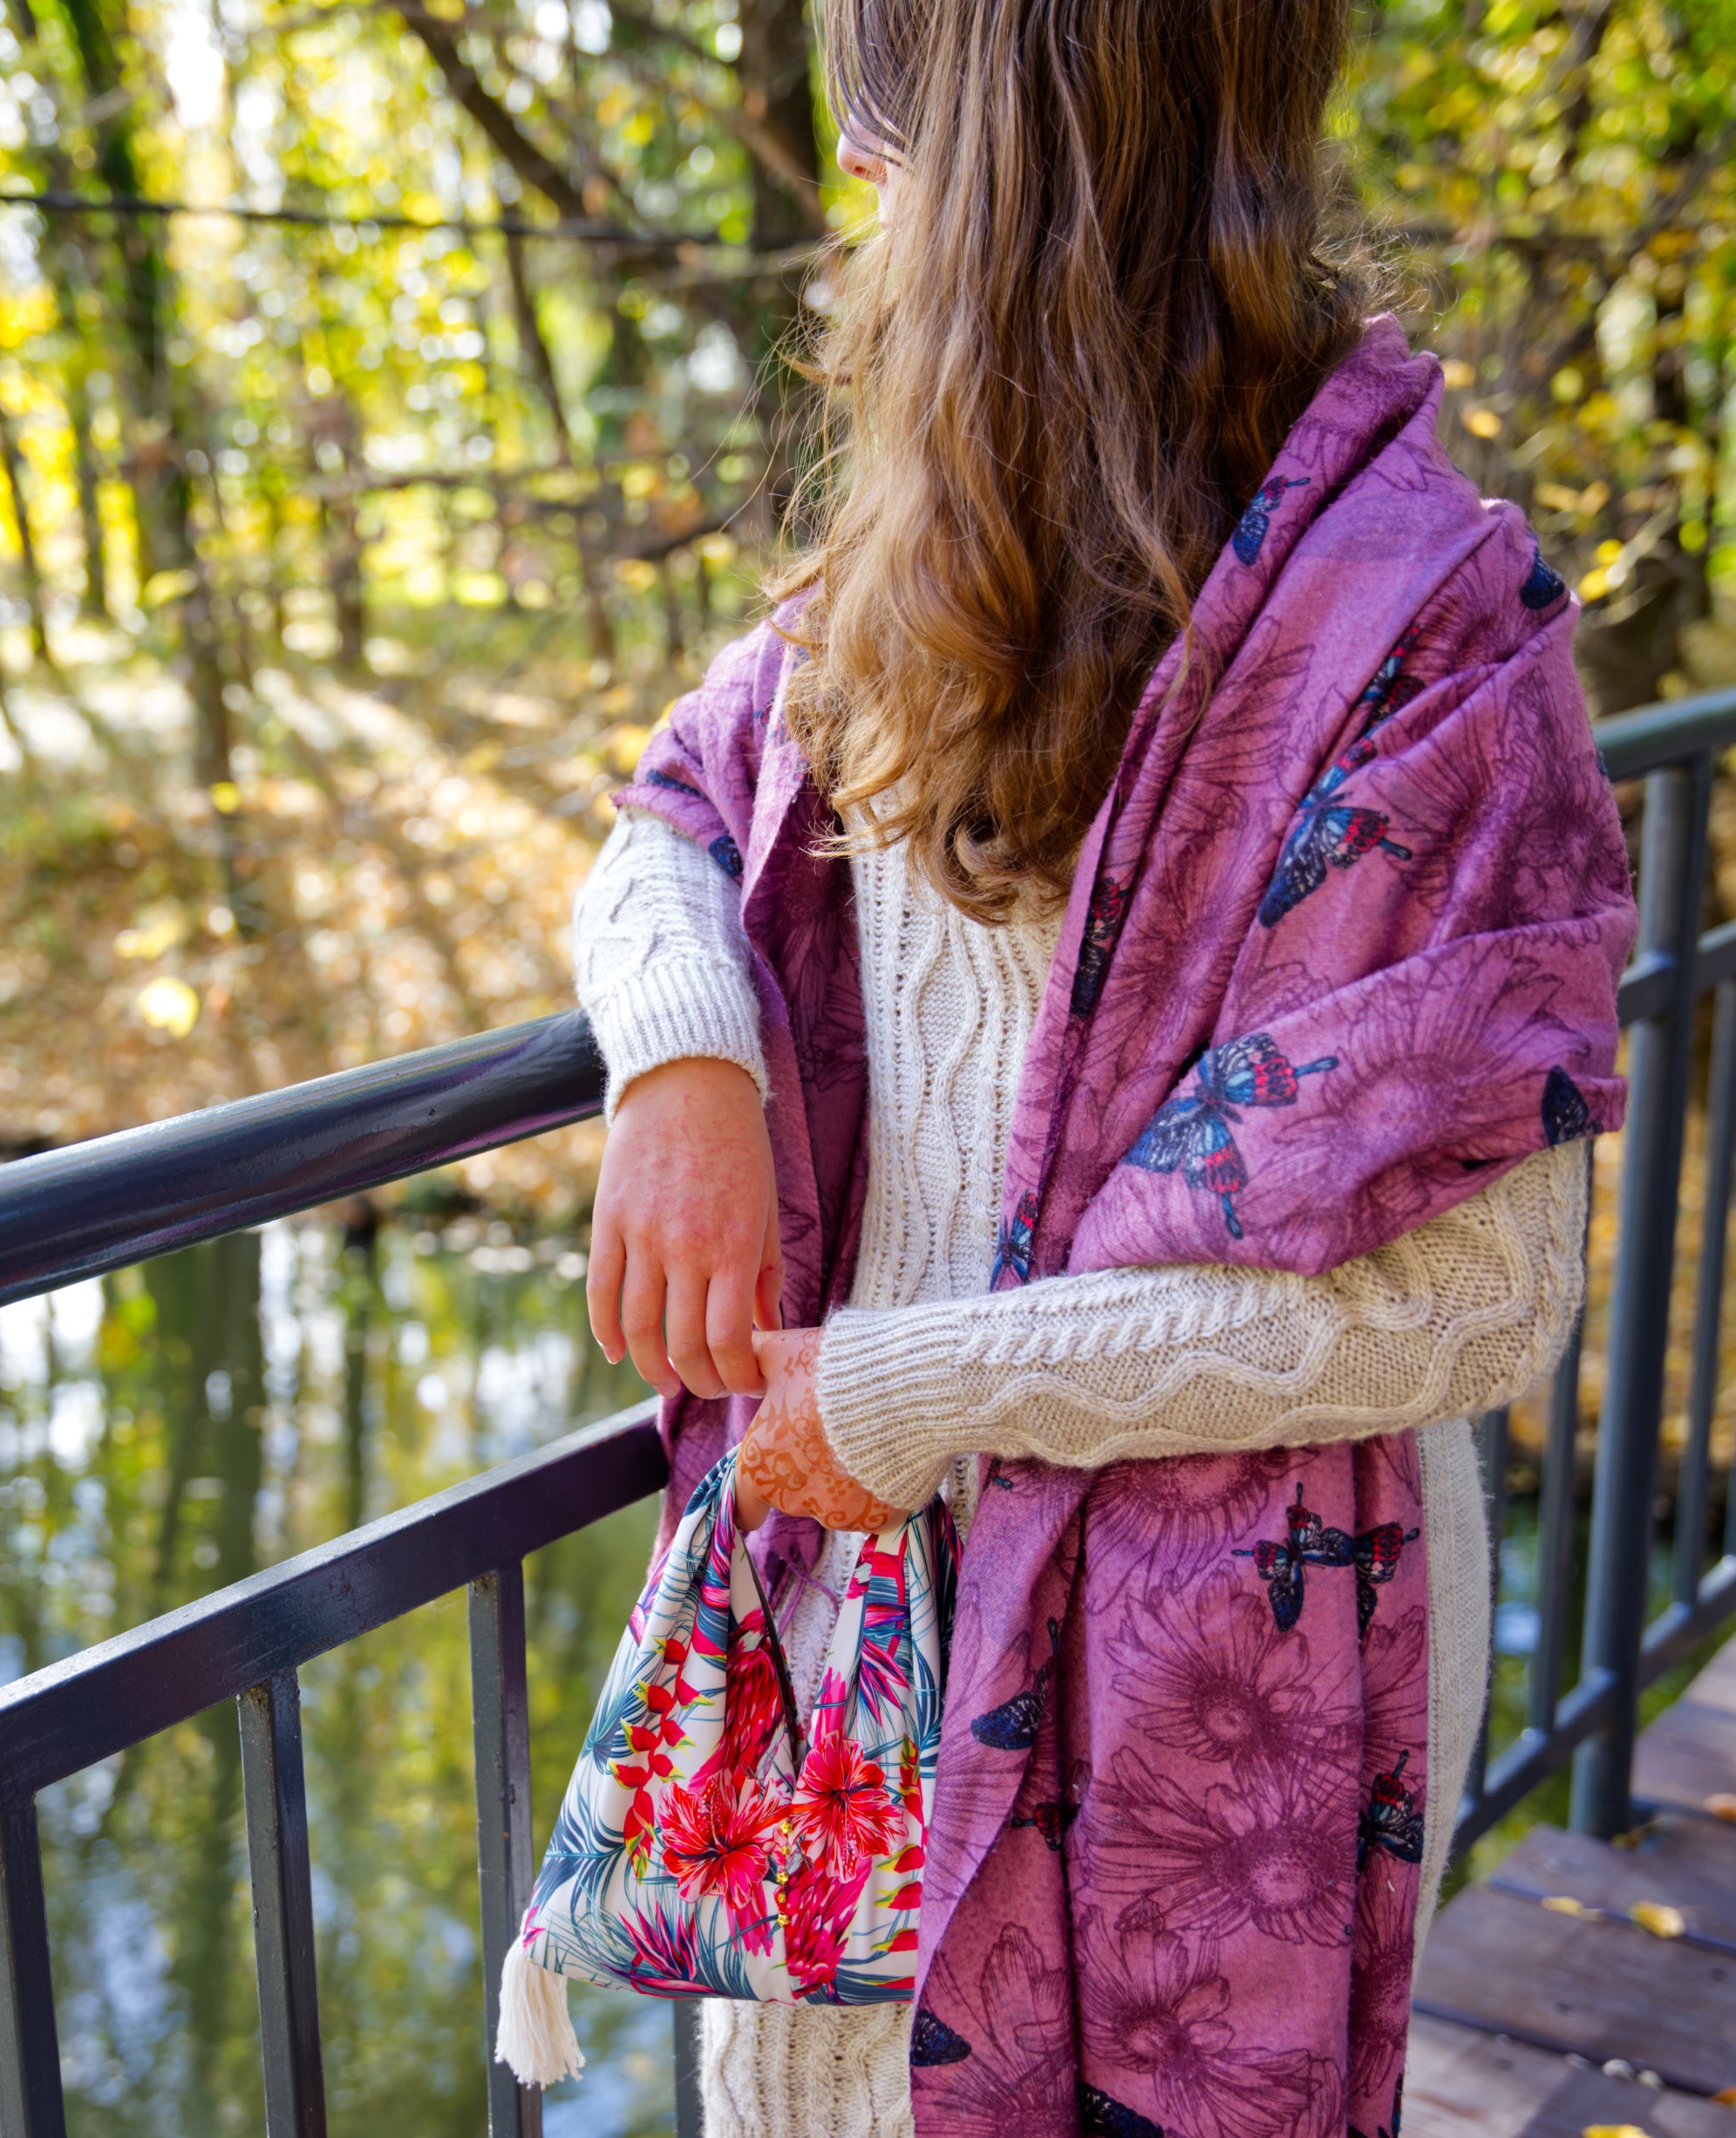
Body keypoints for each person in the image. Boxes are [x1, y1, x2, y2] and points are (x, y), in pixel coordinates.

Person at [571, 2, 1635, 2134]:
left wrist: (913, 1387)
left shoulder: (1421, 635)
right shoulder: (900, 561)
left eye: (883, 127)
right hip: (860, 1623)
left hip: (1204, 1684)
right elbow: (673, 815)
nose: (846, 190)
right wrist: (677, 1063)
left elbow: (1474, 1295)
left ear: (1002, 165)